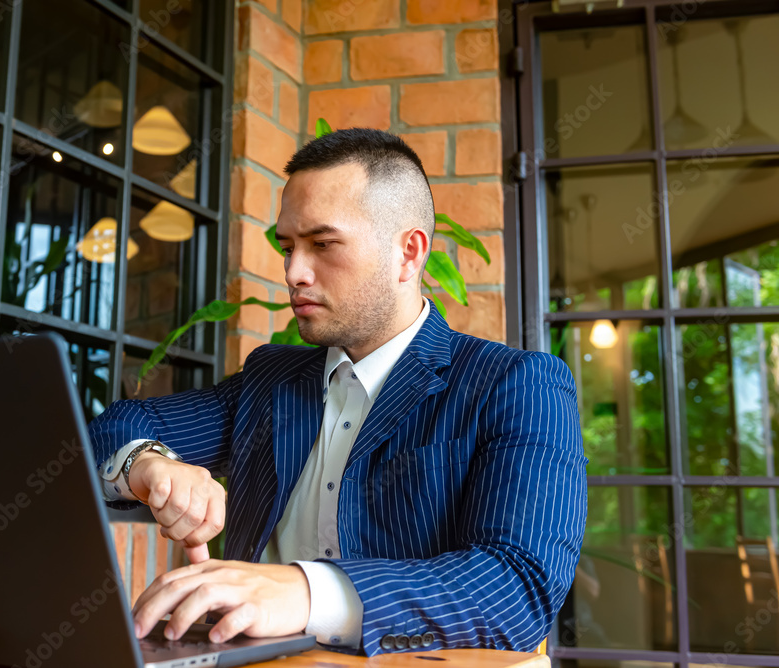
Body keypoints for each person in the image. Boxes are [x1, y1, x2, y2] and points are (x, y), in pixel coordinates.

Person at [87, 128, 587, 657]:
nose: (294, 272)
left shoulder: (517, 384)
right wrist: (151, 466)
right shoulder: (270, 378)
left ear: (408, 252)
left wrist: (303, 591)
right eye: (288, 247)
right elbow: (112, 428)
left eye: (322, 244)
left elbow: (516, 586)